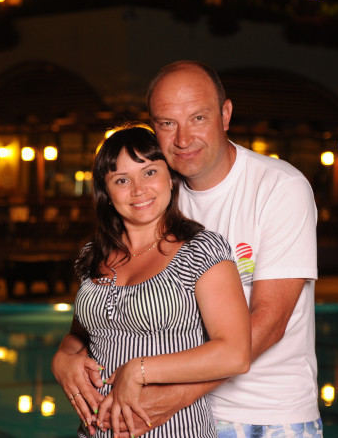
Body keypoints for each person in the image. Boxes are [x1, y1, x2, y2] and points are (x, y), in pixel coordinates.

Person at [143, 60, 322, 437]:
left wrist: (174, 396)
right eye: (167, 123)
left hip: (268, 417)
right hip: (186, 420)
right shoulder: (157, 199)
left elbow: (269, 323)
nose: (183, 139)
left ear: (225, 115)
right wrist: (68, 354)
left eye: (198, 118)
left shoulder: (279, 187)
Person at [52, 124, 251, 438]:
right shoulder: (94, 254)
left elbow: (235, 354)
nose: (138, 189)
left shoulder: (201, 250)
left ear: (170, 178)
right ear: (106, 194)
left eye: (149, 172)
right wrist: (63, 358)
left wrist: (139, 370)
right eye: (122, 180)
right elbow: (80, 334)